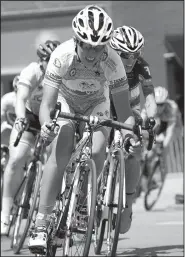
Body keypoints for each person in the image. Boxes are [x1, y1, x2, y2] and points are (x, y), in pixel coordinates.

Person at [28, 5, 142, 252]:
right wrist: (47, 124)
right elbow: (47, 104)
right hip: (66, 101)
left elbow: (124, 112)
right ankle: (40, 223)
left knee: (99, 147)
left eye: (99, 46)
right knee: (62, 145)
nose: (92, 52)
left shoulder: (113, 62)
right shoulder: (62, 55)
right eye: (87, 46)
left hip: (96, 104)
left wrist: (130, 135)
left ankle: (81, 204)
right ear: (76, 40)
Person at [1, 40, 60, 235]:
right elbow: (21, 98)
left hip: (50, 119)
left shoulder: (62, 75)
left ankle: (51, 209)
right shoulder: (32, 71)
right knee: (17, 158)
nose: (50, 64)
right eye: (47, 61)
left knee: (58, 160)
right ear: (41, 61)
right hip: (29, 117)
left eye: (54, 60)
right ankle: (6, 212)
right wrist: (19, 118)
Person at [109, 25, 157, 234]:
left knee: (134, 152)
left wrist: (150, 117)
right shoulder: (105, 63)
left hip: (130, 110)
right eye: (124, 55)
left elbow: (151, 97)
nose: (130, 61)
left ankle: (128, 204)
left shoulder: (142, 67)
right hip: (104, 107)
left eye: (135, 55)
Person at [1, 76, 19, 141]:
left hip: (26, 128)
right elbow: (2, 117)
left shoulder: (31, 99)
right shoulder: (7, 99)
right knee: (6, 129)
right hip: (9, 127)